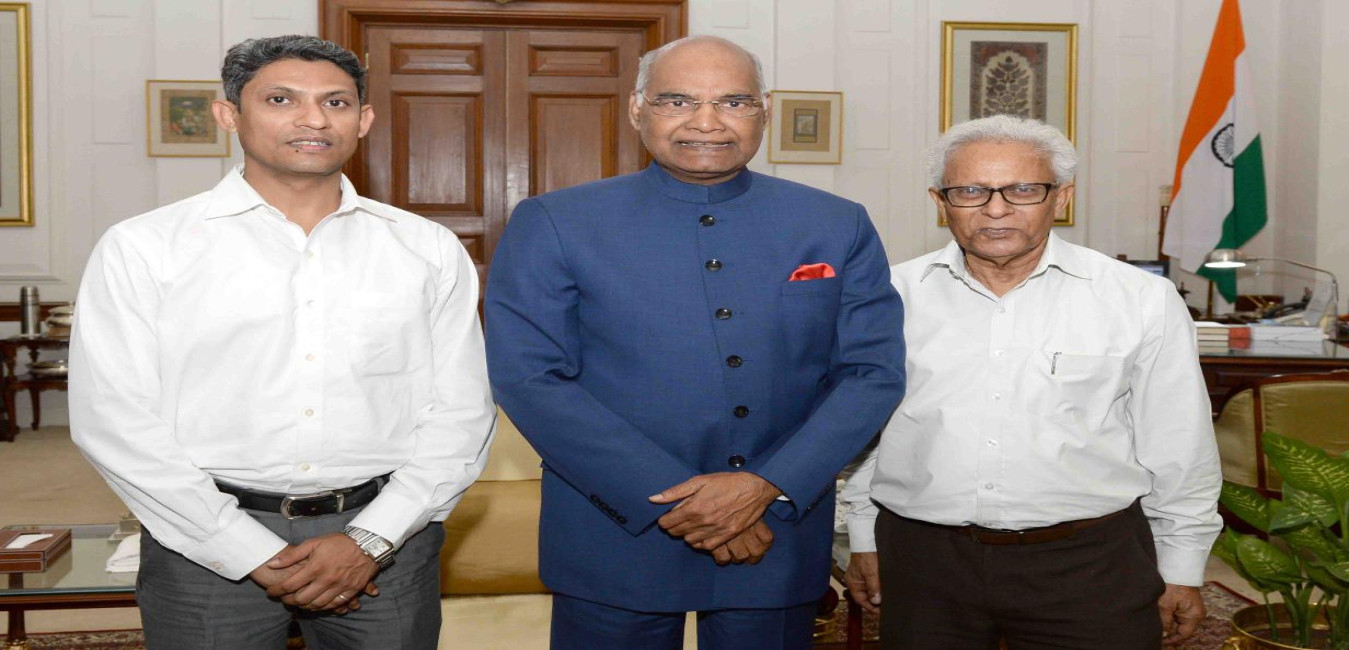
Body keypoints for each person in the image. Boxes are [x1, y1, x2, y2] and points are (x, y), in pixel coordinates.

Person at [69, 35, 495, 649]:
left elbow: (462, 412)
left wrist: (369, 540)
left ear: (363, 120)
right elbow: (113, 420)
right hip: (202, 539)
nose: (313, 119)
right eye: (281, 99)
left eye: (336, 103)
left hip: (387, 539)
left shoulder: (424, 248)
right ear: (228, 115)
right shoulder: (145, 248)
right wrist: (243, 548)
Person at [484, 35, 905, 650]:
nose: (706, 122)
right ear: (638, 109)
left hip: (775, 531)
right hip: (614, 535)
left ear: (764, 111)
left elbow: (873, 372)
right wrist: (678, 501)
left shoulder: (837, 223)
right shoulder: (555, 221)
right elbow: (530, 378)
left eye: (733, 102)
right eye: (676, 101)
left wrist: (764, 486)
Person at [840, 114, 1222, 649]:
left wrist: (1181, 565)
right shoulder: (890, 297)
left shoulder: (1139, 299)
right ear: (940, 202)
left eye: (1022, 189)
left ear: (1061, 197)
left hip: (1090, 565)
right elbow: (865, 433)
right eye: (970, 191)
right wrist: (862, 535)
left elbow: (1180, 443)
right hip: (925, 564)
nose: (995, 209)